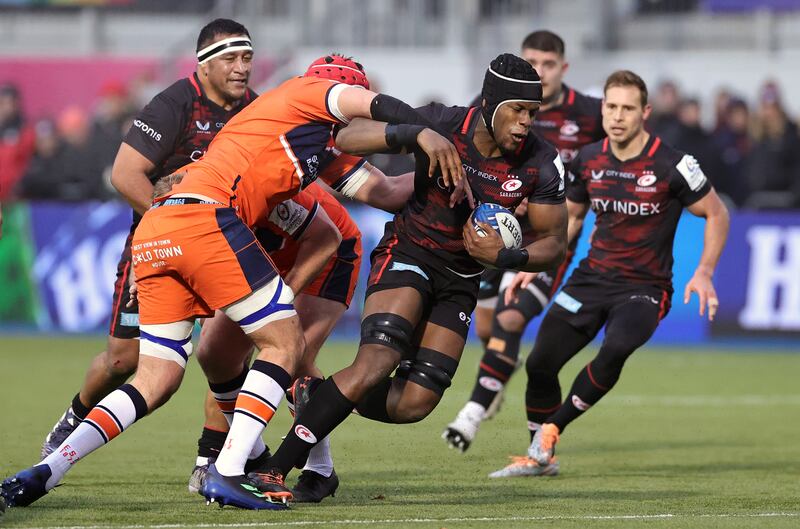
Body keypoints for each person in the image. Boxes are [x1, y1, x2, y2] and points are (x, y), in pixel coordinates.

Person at [1, 53, 461, 511]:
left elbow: (371, 199)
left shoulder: (297, 140)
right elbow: (369, 115)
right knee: (283, 345)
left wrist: (452, 164)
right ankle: (230, 469)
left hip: (164, 226)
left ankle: (47, 470)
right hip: (212, 224)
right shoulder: (306, 97)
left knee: (158, 375)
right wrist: (427, 132)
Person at [257, 53, 569, 495]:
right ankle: (275, 468)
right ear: (491, 104)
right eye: (517, 110)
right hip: (409, 254)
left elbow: (554, 241)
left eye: (532, 113)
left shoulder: (542, 162)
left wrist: (507, 258)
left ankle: (317, 397)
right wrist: (416, 134)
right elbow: (347, 136)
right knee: (377, 360)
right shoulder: (443, 124)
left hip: (462, 280)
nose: (525, 123)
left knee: (415, 403)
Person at [490, 70, 729, 478]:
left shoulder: (674, 163)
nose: (618, 116)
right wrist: (539, 261)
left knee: (616, 347)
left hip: (645, 288)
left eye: (628, 108)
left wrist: (704, 271)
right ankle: (539, 457)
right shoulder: (588, 159)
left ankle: (551, 430)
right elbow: (573, 219)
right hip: (590, 280)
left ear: (645, 112)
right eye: (611, 106)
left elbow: (717, 213)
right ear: (602, 109)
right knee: (541, 363)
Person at [39, 17, 258, 460]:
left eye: (248, 57)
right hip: (160, 249)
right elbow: (125, 174)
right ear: (206, 65)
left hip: (223, 250)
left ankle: (212, 458)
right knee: (123, 360)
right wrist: (175, 226)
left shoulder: (254, 110)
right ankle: (77, 412)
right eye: (231, 58)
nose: (242, 68)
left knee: (224, 355)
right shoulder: (174, 104)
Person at [444, 30, 604, 454]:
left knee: (510, 321)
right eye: (534, 61)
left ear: (563, 68)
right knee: (487, 326)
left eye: (549, 63)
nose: (542, 71)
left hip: (549, 240)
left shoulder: (589, 114)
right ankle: (497, 370)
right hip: (496, 232)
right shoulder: (500, 116)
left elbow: (624, 149)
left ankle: (472, 414)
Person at [188, 181, 368, 503]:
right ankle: (252, 457)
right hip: (268, 256)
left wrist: (280, 300)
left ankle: (320, 469)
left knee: (294, 352)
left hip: (326, 248)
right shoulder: (197, 203)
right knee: (214, 353)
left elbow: (326, 237)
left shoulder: (259, 185)